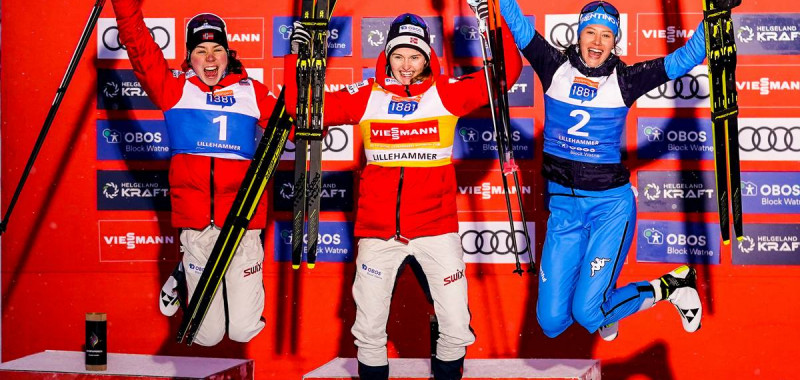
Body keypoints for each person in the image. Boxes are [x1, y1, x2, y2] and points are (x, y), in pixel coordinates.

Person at [286, 12, 521, 380]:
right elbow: (301, 110)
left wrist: (495, 22)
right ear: (387, 56)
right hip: (379, 233)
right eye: (398, 56)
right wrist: (297, 59)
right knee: (369, 329)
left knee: (457, 328)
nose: (406, 66)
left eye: (414, 56)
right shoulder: (368, 96)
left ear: (427, 57)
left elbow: (505, 74)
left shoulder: (445, 93)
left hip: (436, 229)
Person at [499, 0, 705, 340]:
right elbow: (515, 20)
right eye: (590, 32)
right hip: (564, 210)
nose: (597, 42)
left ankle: (673, 286)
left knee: (587, 312)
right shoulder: (553, 67)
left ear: (615, 41)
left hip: (609, 208)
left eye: (606, 35)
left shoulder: (625, 80)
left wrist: (717, 16)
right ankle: (607, 308)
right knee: (551, 324)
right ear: (578, 35)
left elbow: (686, 58)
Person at [110, 0, 276, 346]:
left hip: (242, 224)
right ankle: (184, 273)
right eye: (201, 50)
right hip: (198, 226)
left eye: (217, 49)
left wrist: (298, 62)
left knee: (244, 330)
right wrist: (125, 7)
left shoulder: (252, 92)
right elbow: (139, 46)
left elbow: (295, 120)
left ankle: (199, 277)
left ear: (228, 53)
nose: (211, 58)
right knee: (207, 336)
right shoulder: (174, 88)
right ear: (190, 57)